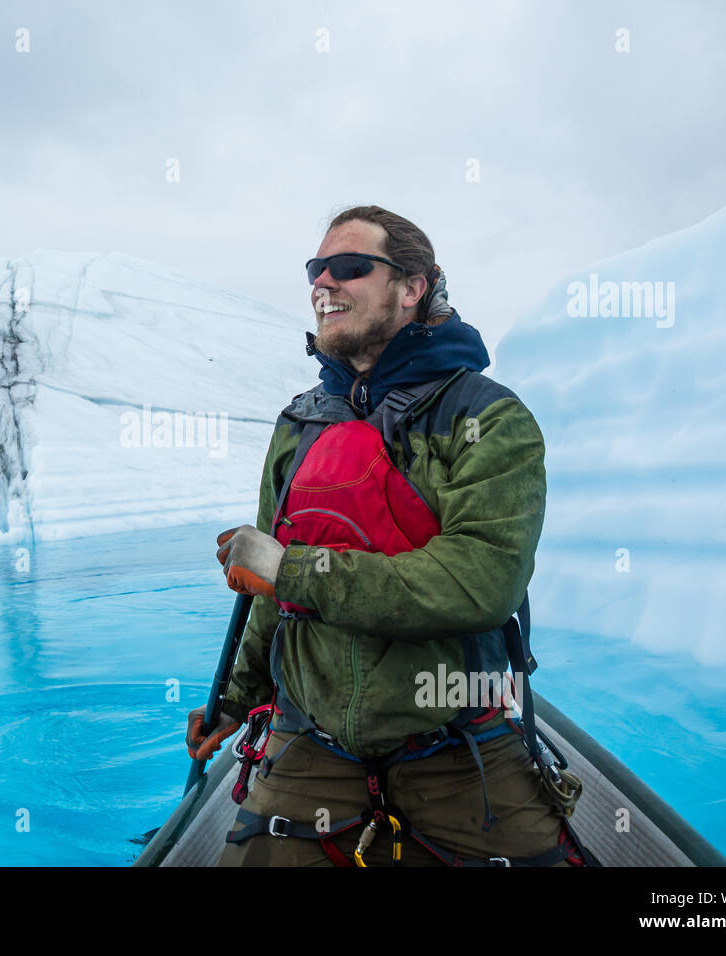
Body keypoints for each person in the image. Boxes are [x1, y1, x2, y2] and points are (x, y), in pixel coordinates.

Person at [186, 205, 588, 867]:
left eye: (349, 268)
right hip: (311, 743)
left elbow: (481, 582)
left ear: (413, 288)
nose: (324, 283)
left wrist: (294, 571)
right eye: (317, 270)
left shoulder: (489, 419)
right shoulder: (299, 424)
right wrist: (236, 699)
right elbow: (264, 593)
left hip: (460, 744)